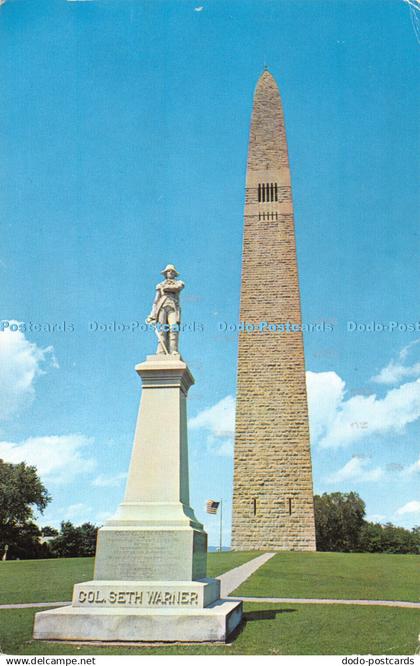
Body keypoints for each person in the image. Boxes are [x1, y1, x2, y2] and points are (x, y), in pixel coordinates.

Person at [146, 264, 184, 354]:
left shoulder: (179, 283)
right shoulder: (160, 285)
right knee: (162, 330)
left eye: (172, 271)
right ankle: (161, 351)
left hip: (173, 307)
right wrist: (152, 315)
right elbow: (155, 301)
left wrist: (165, 288)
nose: (170, 272)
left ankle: (173, 350)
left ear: (175, 274)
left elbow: (177, 288)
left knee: (173, 328)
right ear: (165, 273)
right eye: (168, 271)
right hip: (161, 307)